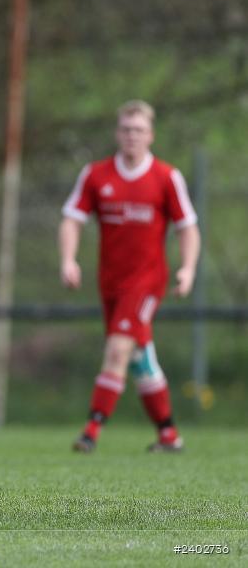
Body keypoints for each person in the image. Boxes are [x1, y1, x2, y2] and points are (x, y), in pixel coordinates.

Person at [59, 100, 200, 453]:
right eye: (125, 129)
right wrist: (68, 259)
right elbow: (72, 219)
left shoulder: (167, 177)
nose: (131, 136)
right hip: (110, 282)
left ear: (150, 135)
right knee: (140, 356)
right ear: (117, 133)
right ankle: (169, 435)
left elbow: (188, 228)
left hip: (148, 281)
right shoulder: (96, 174)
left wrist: (188, 267)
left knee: (119, 349)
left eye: (138, 130)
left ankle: (91, 430)